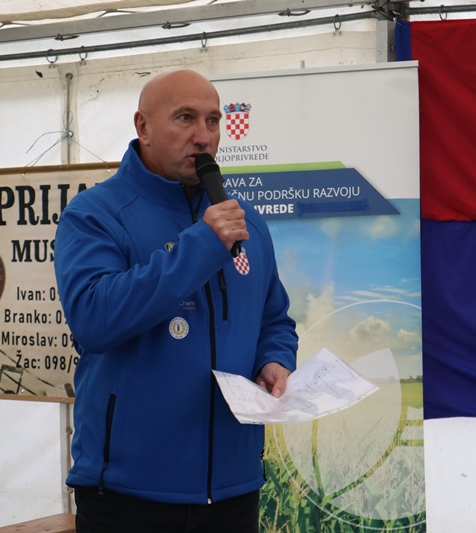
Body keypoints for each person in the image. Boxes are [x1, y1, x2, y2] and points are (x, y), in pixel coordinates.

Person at [54, 69, 298, 532]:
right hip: (129, 493)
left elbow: (274, 319)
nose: (203, 136)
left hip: (234, 488)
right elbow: (95, 319)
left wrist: (274, 360)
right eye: (185, 118)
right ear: (143, 126)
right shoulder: (95, 214)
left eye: (213, 120)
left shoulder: (246, 222)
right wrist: (202, 245)